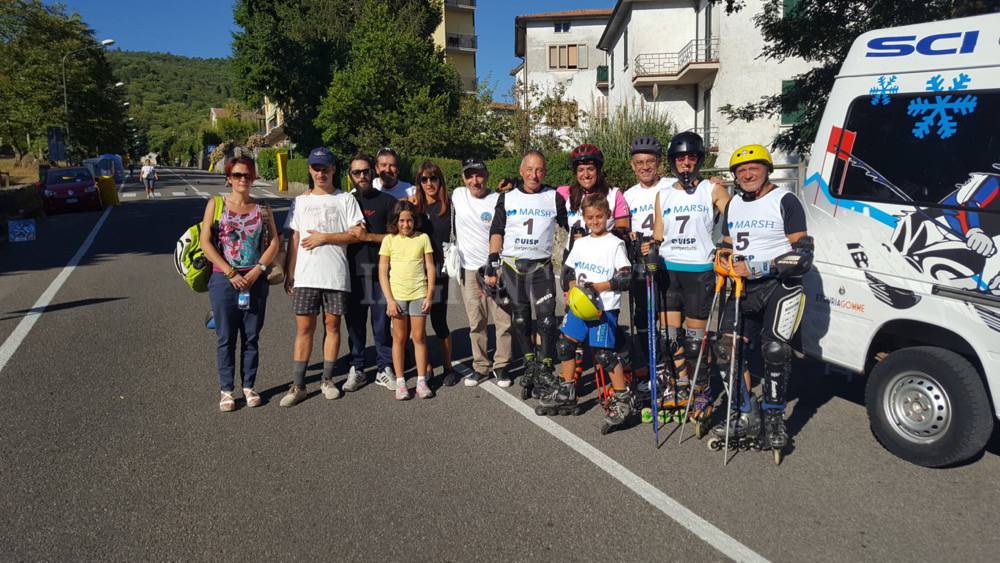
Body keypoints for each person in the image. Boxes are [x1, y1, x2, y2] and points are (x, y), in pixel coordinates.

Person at [712, 144, 812, 454]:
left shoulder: (785, 200)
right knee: (726, 348)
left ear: (767, 169)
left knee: (774, 349)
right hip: (743, 288)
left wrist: (760, 266)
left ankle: (774, 418)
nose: (747, 174)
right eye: (741, 171)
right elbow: (727, 244)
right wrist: (722, 258)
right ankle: (745, 411)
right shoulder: (734, 205)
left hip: (779, 285)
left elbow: (803, 254)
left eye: (754, 168)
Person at [652, 131, 731, 418]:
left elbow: (733, 213)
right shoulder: (663, 193)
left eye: (691, 158)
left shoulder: (710, 189)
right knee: (670, 338)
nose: (686, 164)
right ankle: (681, 384)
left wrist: (730, 243)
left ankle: (702, 390)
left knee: (696, 341)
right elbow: (659, 232)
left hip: (699, 272)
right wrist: (649, 248)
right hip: (669, 271)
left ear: (698, 161)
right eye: (680, 158)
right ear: (673, 162)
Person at [280, 147, 365, 407]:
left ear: (333, 169)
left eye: (325, 168)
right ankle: (298, 385)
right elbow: (293, 238)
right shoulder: (301, 201)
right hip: (306, 276)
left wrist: (325, 237)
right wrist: (289, 272)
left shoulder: (346, 200)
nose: (321, 173)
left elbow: (357, 234)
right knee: (304, 329)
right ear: (309, 170)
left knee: (332, 326)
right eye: (316, 168)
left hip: (336, 275)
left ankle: (327, 380)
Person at [538, 195, 632, 429]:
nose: (595, 221)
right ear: (584, 218)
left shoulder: (615, 243)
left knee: (603, 355)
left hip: (603, 308)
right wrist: (570, 289)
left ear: (608, 215)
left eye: (599, 216)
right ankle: (568, 390)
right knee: (565, 345)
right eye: (590, 217)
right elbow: (568, 270)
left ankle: (622, 399)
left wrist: (599, 287)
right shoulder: (580, 243)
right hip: (580, 307)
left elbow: (625, 276)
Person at [199, 156, 279, 412]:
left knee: (252, 336)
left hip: (255, 280)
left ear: (254, 178)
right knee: (226, 337)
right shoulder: (216, 204)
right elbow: (205, 243)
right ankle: (226, 390)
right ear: (229, 178)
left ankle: (248, 386)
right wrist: (230, 272)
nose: (242, 180)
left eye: (247, 175)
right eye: (237, 175)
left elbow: (274, 243)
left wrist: (258, 270)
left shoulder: (262, 208)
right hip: (224, 279)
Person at [486, 150, 568, 392]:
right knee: (520, 319)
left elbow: (569, 226)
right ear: (521, 172)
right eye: (529, 169)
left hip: (541, 267)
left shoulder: (553, 197)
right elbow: (496, 230)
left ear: (545, 172)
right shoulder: (507, 197)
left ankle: (545, 365)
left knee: (546, 319)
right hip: (513, 266)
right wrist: (493, 259)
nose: (534, 174)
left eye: (540, 170)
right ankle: (530, 363)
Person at [452, 158, 513, 386]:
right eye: (469, 176)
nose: (474, 180)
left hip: (496, 268)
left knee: (502, 320)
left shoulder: (498, 200)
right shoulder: (458, 195)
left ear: (486, 176)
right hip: (469, 270)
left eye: (478, 175)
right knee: (476, 321)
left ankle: (502, 366)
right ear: (463, 178)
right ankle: (480, 366)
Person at [343, 153, 399, 392]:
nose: (362, 176)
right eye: (357, 172)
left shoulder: (387, 202)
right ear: (350, 176)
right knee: (354, 324)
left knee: (381, 325)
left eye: (366, 171)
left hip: (379, 274)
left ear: (373, 172)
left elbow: (396, 237)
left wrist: (367, 237)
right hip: (351, 273)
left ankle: (384, 367)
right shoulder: (344, 201)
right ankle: (357, 367)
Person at [623, 136, 675, 380]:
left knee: (669, 319)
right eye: (639, 162)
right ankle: (650, 366)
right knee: (643, 318)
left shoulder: (672, 186)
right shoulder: (628, 194)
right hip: (640, 265)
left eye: (650, 162)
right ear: (633, 166)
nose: (645, 167)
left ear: (659, 163)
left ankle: (672, 366)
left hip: (669, 262)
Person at [379, 200, 436, 400]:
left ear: (415, 221)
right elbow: (383, 272)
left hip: (419, 294)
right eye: (402, 221)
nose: (406, 225)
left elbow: (430, 267)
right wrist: (390, 300)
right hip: (398, 297)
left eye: (409, 220)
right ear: (396, 221)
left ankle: (421, 381)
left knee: (419, 338)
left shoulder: (423, 238)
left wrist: (429, 295)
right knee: (399, 339)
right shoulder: (389, 240)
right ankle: (401, 382)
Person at [411, 161, 457, 385]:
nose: (429, 183)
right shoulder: (414, 208)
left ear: (440, 180)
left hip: (439, 271)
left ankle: (448, 367)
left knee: (439, 320)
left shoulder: (449, 207)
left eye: (433, 178)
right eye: (424, 179)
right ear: (419, 183)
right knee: (417, 323)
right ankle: (426, 366)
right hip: (415, 273)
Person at [558, 144, 630, 250]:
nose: (586, 174)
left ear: (598, 170)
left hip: (603, 255)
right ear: (575, 173)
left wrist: (591, 238)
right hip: (573, 257)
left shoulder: (614, 194)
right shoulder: (564, 193)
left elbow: (623, 232)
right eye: (581, 170)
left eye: (590, 169)